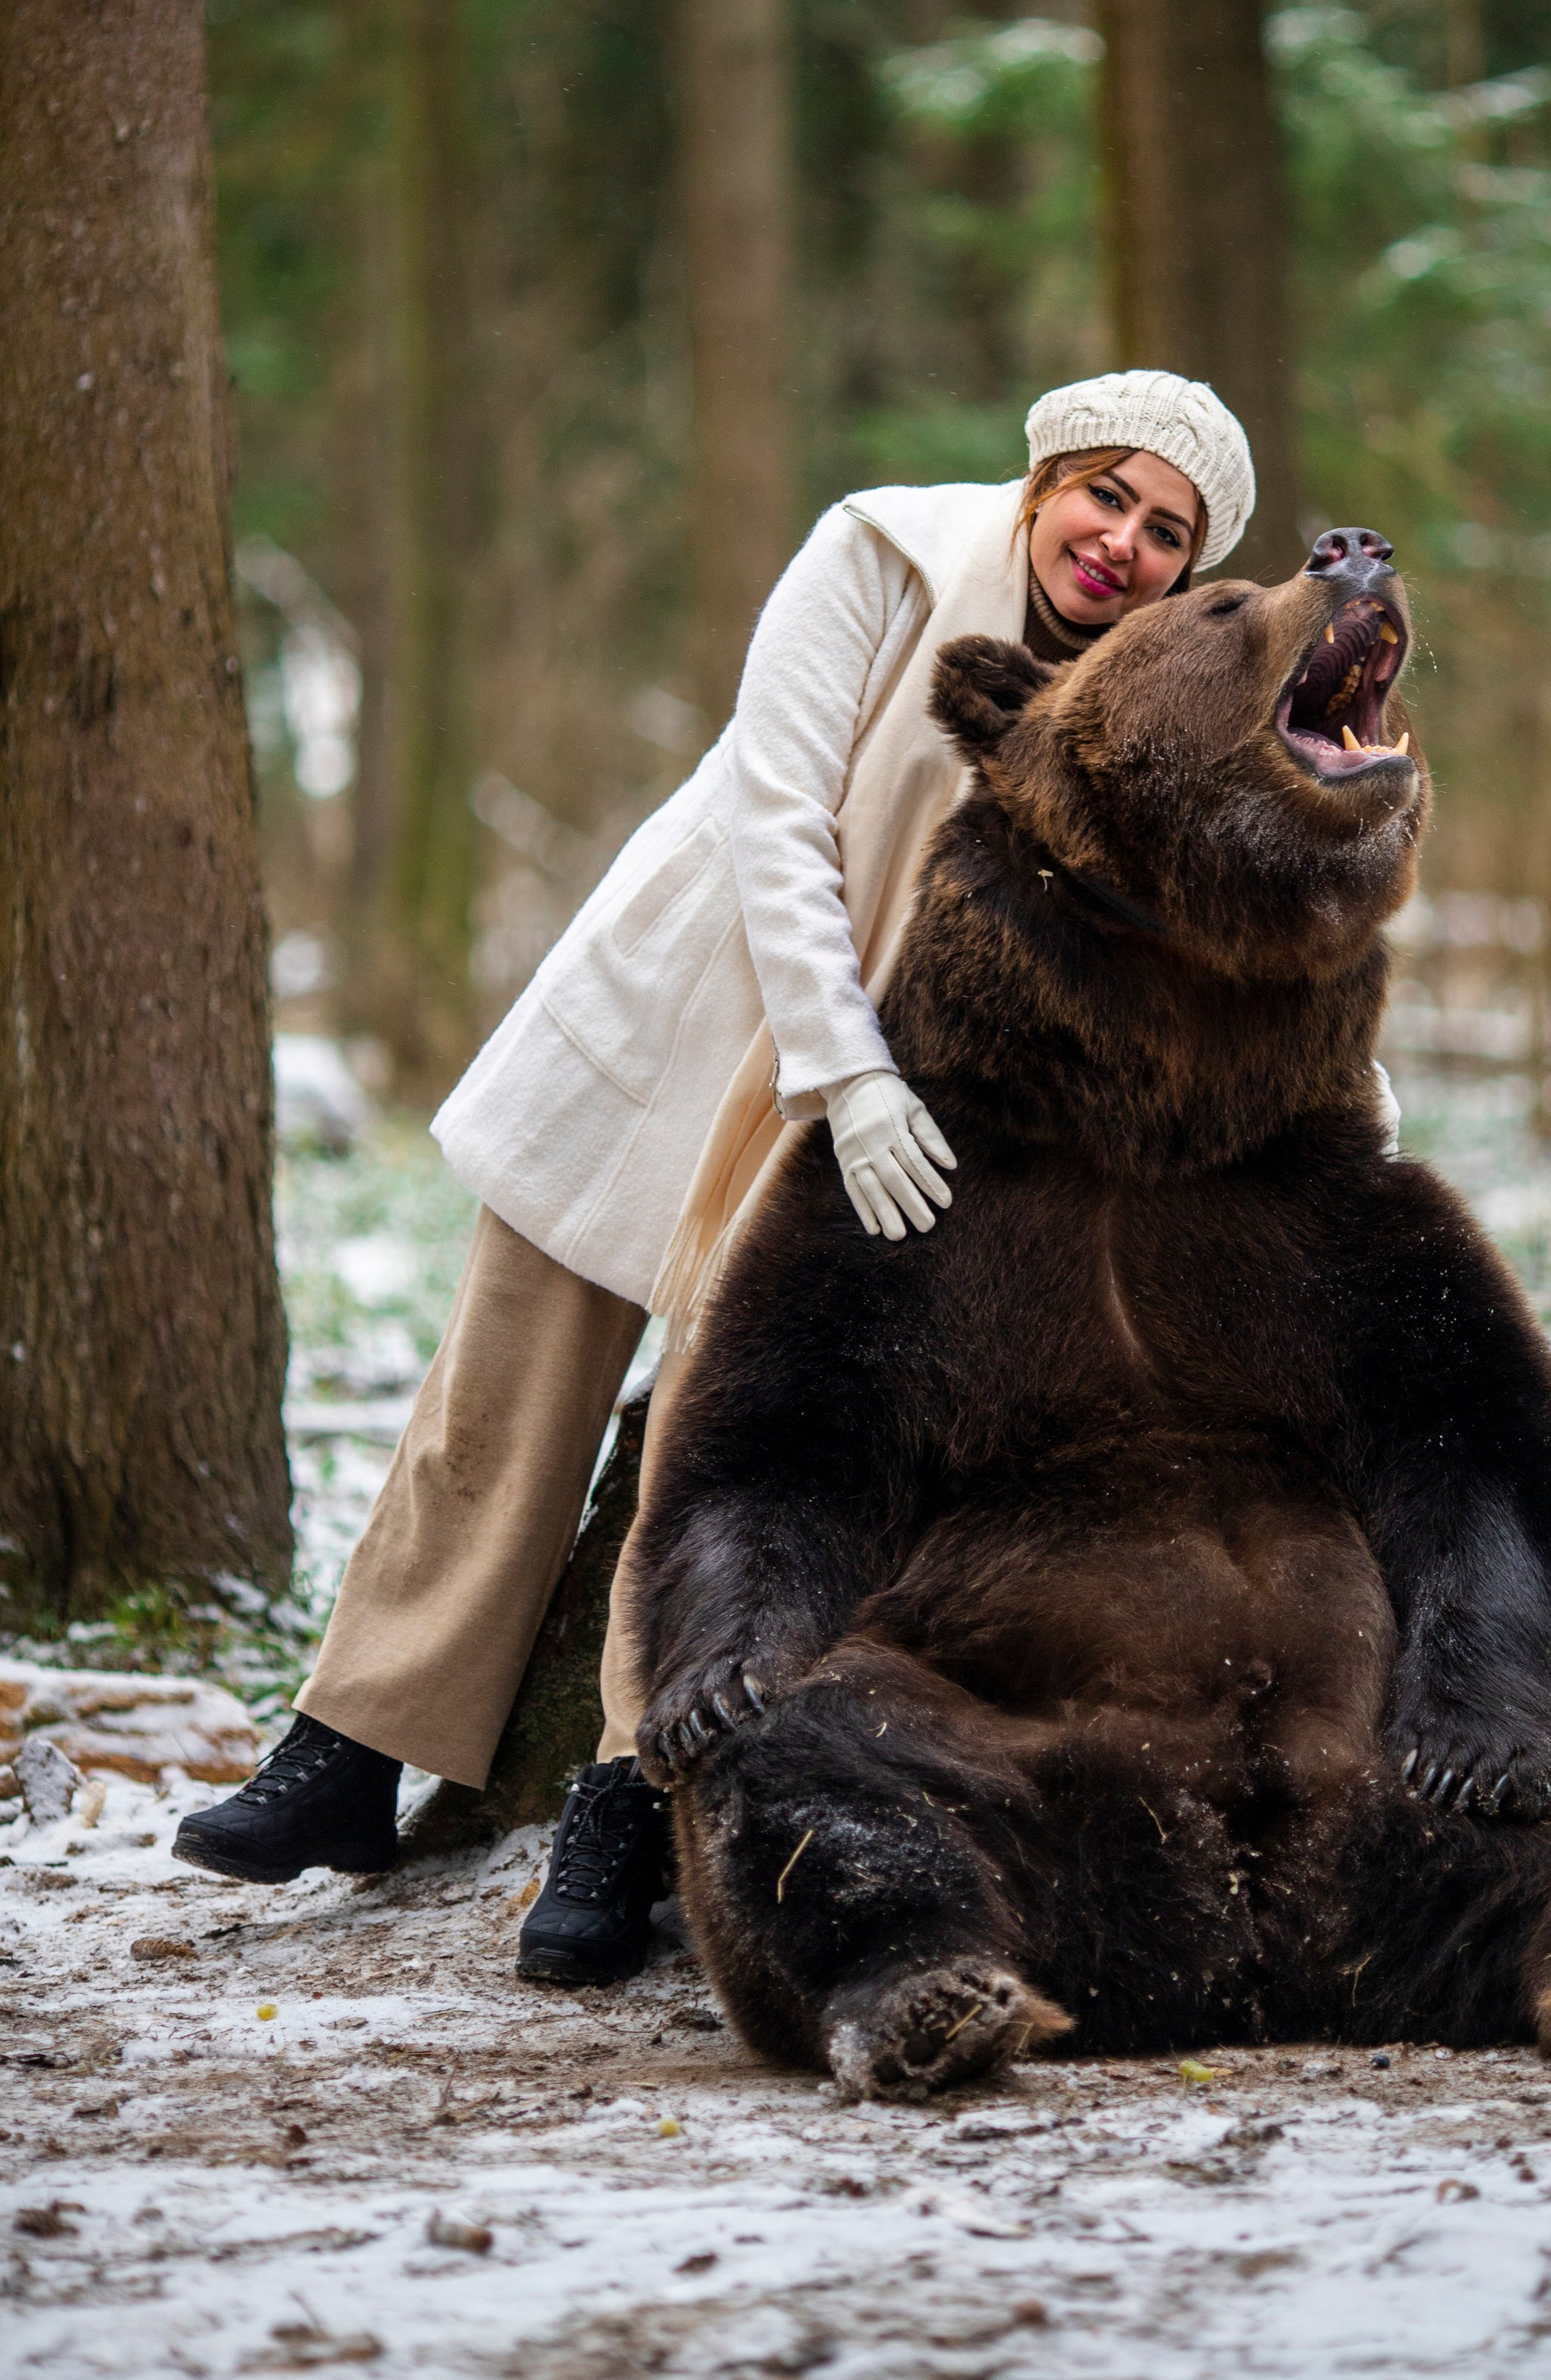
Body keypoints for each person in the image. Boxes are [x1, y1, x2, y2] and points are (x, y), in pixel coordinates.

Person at [177, 371, 1329, 1979]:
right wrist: (836, 1061)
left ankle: (618, 1809)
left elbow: (1232, 907)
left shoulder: (1157, 693)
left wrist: (1351, 1094)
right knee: (500, 1389)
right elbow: (778, 810)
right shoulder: (882, 553)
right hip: (695, 1003)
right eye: (1105, 496)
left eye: (1165, 531)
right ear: (1046, 473)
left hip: (869, 1098)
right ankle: (352, 1747)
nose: (1119, 544)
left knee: (714, 1433)